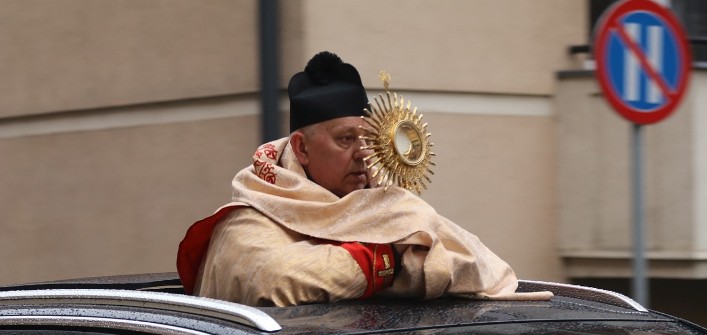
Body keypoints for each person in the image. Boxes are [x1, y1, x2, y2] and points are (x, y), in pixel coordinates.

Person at [176, 51, 551, 306]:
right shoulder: (250, 216)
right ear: (301, 149)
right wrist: (388, 257)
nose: (363, 153)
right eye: (345, 140)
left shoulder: (380, 208)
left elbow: (479, 266)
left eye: (369, 139)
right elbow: (273, 279)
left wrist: (411, 248)